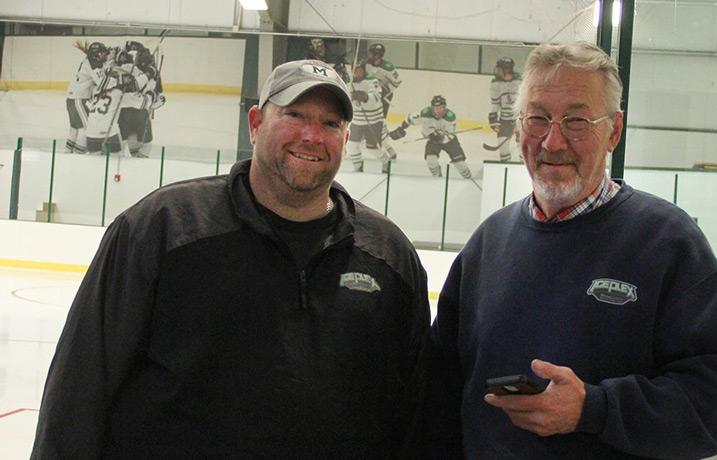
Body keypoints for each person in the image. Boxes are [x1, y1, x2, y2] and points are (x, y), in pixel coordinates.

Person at [31, 59, 431, 458]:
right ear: (255, 124)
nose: (312, 135)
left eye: (330, 124)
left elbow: (414, 413)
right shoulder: (164, 227)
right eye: (294, 115)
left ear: (345, 139)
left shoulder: (387, 255)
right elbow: (80, 385)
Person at [428, 42, 717, 459]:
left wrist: (594, 408)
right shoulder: (489, 244)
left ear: (614, 131)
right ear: (517, 127)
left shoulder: (668, 242)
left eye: (577, 121)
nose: (553, 140)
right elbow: (443, 389)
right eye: (538, 118)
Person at [389, 95, 473, 180]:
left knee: (460, 164)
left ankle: (469, 179)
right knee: (431, 161)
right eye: (436, 108)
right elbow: (409, 119)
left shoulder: (450, 117)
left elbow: (450, 135)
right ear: (432, 108)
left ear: (445, 107)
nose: (439, 111)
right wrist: (402, 128)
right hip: (433, 141)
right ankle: (437, 178)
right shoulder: (425, 114)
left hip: (449, 142)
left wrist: (440, 138)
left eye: (441, 108)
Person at [118, 42, 166, 158]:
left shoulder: (122, 68)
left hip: (123, 112)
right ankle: (140, 165)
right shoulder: (151, 75)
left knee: (127, 142)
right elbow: (156, 93)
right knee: (146, 145)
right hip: (141, 112)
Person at [65, 41, 108, 153]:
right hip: (78, 99)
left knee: (75, 128)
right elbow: (102, 83)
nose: (105, 55)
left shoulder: (90, 60)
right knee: (87, 128)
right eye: (103, 53)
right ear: (97, 54)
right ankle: (79, 154)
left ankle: (67, 153)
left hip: (73, 98)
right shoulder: (93, 63)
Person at [347, 61, 388, 172]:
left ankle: (386, 161)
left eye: (359, 69)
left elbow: (376, 98)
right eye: (354, 69)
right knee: (351, 146)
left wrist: (365, 97)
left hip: (373, 120)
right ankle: (358, 167)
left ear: (364, 70)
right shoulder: (348, 82)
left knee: (373, 148)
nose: (357, 72)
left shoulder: (372, 81)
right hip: (356, 121)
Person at [364, 42, 401, 161]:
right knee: (360, 120)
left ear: (377, 55)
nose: (369, 55)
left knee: (379, 121)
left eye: (372, 53)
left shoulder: (388, 67)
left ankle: (387, 146)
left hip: (384, 97)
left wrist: (385, 90)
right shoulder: (365, 64)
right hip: (368, 96)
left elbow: (397, 82)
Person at [488, 57, 522, 162]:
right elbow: (495, 103)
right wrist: (493, 119)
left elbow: (527, 102)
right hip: (505, 120)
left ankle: (523, 171)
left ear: (506, 69)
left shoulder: (520, 81)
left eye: (499, 68)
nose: (497, 71)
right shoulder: (495, 83)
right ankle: (505, 170)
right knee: (502, 147)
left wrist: (519, 122)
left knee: (522, 147)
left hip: (520, 118)